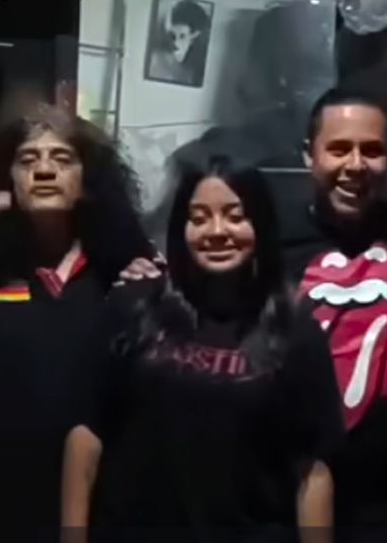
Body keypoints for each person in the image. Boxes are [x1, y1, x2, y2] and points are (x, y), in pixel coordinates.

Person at [125, 87, 387, 542]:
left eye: (371, 150)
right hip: (286, 500)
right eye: (339, 148)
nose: (355, 164)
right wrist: (144, 273)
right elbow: (198, 269)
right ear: (310, 155)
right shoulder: (268, 240)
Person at [61, 156, 343, 543]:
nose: (217, 231)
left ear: (260, 223)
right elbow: (86, 435)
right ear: (181, 228)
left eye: (235, 216)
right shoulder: (133, 306)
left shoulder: (295, 328)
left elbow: (313, 470)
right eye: (199, 218)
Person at [0, 102, 154, 543]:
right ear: (8, 178)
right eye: (28, 159)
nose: (44, 170)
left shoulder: (122, 273)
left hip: (91, 508)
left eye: (62, 158)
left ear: (88, 179)